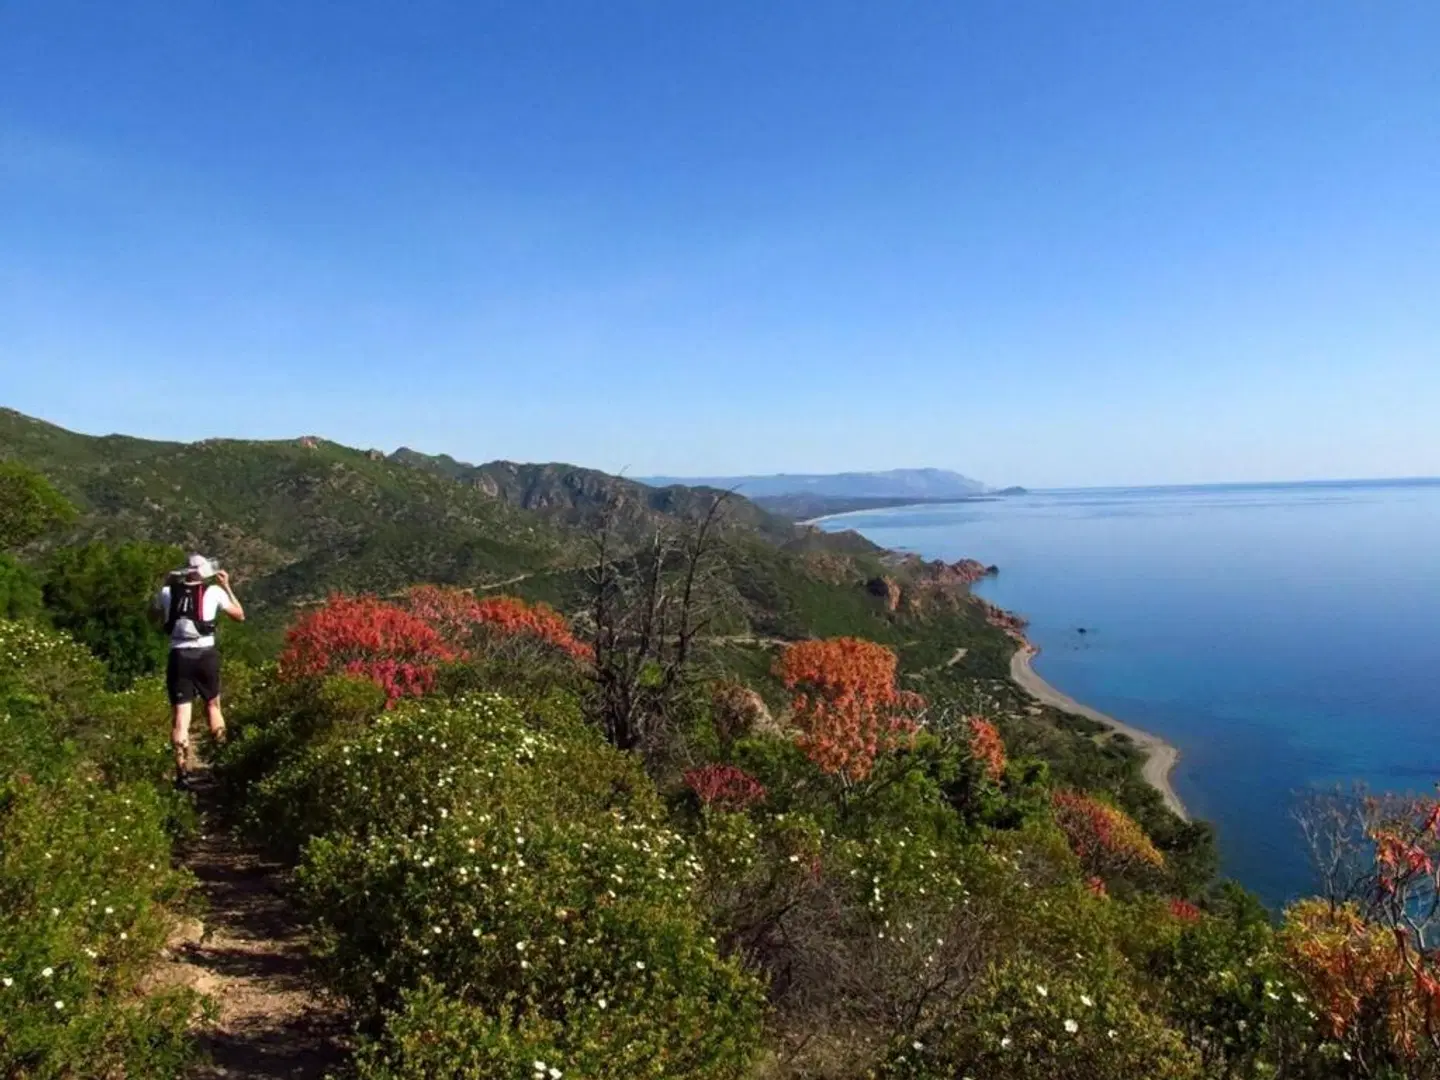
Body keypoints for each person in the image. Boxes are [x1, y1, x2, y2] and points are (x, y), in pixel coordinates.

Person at [153, 554, 245, 789]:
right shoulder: (214, 592)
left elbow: (155, 616)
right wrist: (227, 586)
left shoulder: (167, 593)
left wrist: (167, 582)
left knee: (180, 719)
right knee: (213, 706)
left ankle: (182, 773)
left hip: (179, 656)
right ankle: (223, 765)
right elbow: (239, 616)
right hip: (205, 654)